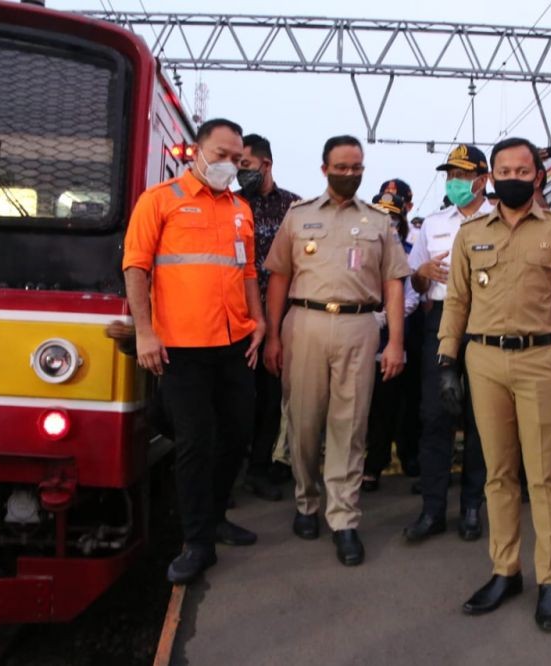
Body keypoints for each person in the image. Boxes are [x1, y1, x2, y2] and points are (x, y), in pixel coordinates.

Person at [439, 137, 551, 631]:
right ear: (492, 175)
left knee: (543, 477)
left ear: (537, 177)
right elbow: (456, 302)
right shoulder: (469, 234)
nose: (512, 177)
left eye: (522, 171)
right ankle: (506, 570)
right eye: (503, 169)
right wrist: (447, 359)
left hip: (538, 360)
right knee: (497, 473)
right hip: (483, 361)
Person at [122, 118, 264, 584]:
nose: (230, 165)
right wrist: (145, 333)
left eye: (237, 160)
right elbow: (136, 267)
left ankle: (217, 515)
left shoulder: (240, 209)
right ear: (198, 152)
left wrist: (259, 320)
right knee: (195, 445)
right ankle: (197, 542)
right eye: (222, 156)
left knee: (236, 437)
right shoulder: (160, 201)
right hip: (182, 348)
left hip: (235, 344)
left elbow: (245, 274)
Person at [263, 135, 411, 566]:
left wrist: (396, 342)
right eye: (342, 167)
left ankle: (344, 518)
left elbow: (394, 284)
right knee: (304, 420)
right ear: (324, 168)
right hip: (304, 322)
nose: (350, 173)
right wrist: (273, 335)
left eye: (357, 167)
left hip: (359, 327)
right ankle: (307, 500)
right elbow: (277, 278)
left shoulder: (378, 222)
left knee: (351, 424)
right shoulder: (299, 216)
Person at [404, 144, 492, 543]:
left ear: (482, 179)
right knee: (434, 416)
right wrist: (422, 273)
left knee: (481, 421)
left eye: (462, 176)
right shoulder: (433, 223)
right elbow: (416, 284)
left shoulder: (500, 221)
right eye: (450, 176)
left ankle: (472, 506)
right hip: (440, 324)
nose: (455, 183)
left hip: (486, 323)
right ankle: (432, 509)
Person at [235, 133, 301, 502]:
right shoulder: (229, 204)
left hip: (279, 321)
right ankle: (228, 471)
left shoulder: (294, 208)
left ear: (266, 164)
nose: (239, 173)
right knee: (233, 400)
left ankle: (260, 469)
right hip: (234, 320)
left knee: (270, 398)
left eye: (245, 166)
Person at [363, 179, 422, 491]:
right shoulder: (362, 245)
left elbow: (411, 295)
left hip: (398, 333)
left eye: (393, 216)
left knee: (400, 401)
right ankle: (370, 461)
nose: (388, 222)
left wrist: (387, 317)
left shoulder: (410, 248)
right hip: (365, 333)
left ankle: (397, 456)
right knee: (370, 403)